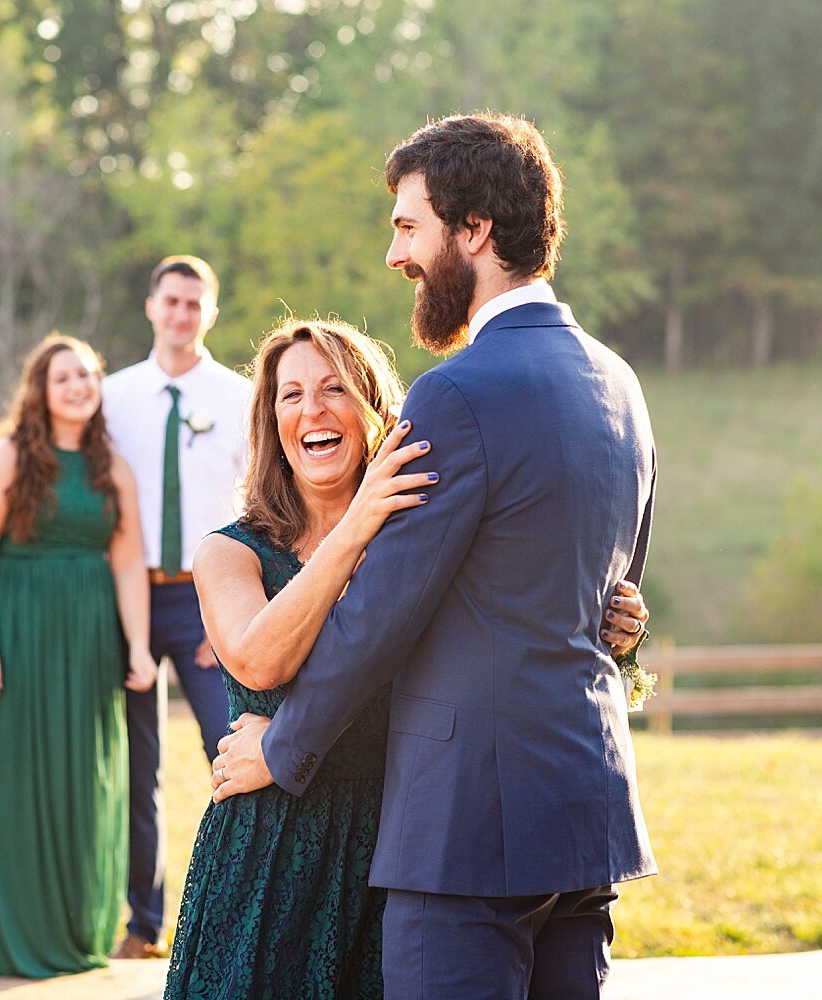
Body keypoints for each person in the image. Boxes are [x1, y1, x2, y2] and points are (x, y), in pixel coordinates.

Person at [213, 113, 658, 998]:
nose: (395, 255)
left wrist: (284, 746)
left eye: (408, 225)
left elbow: (382, 611)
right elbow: (614, 591)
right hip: (587, 814)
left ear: (476, 230)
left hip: (466, 833)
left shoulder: (456, 395)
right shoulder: (620, 384)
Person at [166, 319, 649, 997]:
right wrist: (356, 525)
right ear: (269, 419)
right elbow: (256, 660)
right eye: (291, 395)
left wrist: (610, 615)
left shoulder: (422, 541)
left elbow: (509, 614)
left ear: (372, 412)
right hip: (273, 856)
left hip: (404, 842)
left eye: (335, 389)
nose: (312, 410)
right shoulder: (231, 551)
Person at [0, 335, 158, 977]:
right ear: (40, 388)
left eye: (88, 375)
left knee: (83, 781)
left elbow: (126, 562)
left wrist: (139, 645)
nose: (78, 386)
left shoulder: (110, 466)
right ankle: (1, 933)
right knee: (13, 779)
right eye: (64, 377)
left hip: (89, 641)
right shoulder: (8, 457)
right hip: (15, 634)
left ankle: (72, 926)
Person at [99, 255, 252, 958]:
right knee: (135, 766)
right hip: (125, 598)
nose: (182, 314)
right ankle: (142, 922)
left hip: (206, 600)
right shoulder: (111, 396)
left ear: (210, 313)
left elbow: (259, 508)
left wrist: (234, 609)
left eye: (196, 303)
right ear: (151, 306)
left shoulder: (241, 396)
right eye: (172, 301)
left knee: (230, 751)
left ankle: (236, 917)